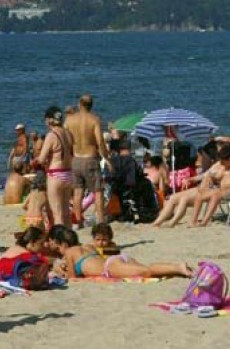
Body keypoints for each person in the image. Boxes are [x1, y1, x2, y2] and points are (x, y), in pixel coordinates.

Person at [50, 224, 191, 279]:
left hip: (110, 268)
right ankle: (177, 270)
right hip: (117, 260)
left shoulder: (69, 253)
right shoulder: (88, 246)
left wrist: (60, 271)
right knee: (146, 269)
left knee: (146, 272)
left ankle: (178, 267)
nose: (60, 252)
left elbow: (72, 279)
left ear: (64, 244)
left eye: (58, 248)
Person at [65, 94, 112, 227]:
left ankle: (78, 221)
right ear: (91, 105)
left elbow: (65, 140)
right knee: (97, 191)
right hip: (90, 159)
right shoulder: (94, 119)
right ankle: (100, 221)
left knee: (78, 192)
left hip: (75, 159)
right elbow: (100, 141)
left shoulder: (69, 120)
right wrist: (106, 158)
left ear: (79, 104)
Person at [190, 143, 230, 227]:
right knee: (200, 195)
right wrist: (213, 178)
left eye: (223, 162)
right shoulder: (222, 165)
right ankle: (193, 221)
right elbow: (209, 175)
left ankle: (204, 222)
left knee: (216, 194)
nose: (222, 164)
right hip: (220, 189)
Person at [37, 106, 75, 229]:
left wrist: (36, 161)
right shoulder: (68, 134)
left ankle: (60, 241)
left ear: (49, 120)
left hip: (55, 174)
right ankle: (70, 241)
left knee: (57, 214)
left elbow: (41, 159)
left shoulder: (51, 135)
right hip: (68, 174)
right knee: (66, 213)